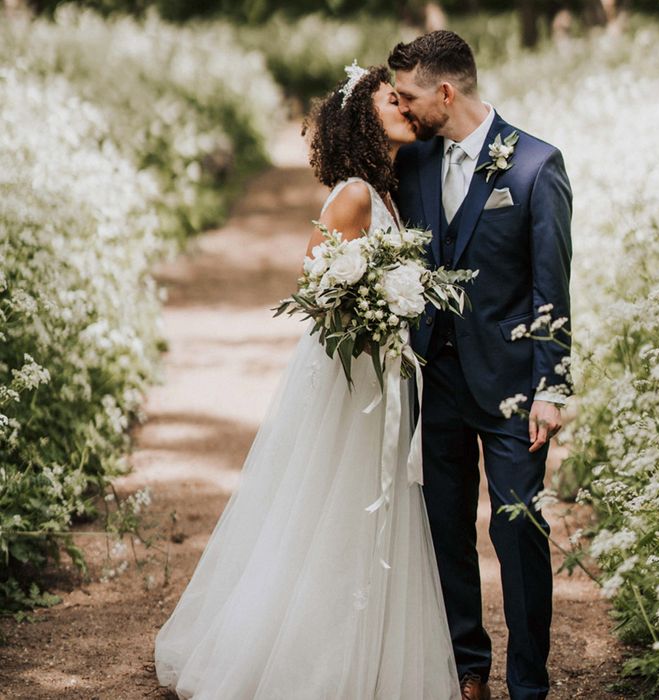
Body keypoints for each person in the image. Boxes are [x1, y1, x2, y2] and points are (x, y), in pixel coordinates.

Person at [153, 64, 461, 700]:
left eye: (406, 99)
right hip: (352, 384)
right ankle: (303, 663)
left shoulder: (391, 192)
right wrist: (375, 309)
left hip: (385, 381)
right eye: (391, 99)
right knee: (331, 511)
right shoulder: (353, 195)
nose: (405, 107)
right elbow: (317, 288)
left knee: (370, 512)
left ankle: (366, 655)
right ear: (361, 117)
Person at [389, 31, 573, 700]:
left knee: (517, 526)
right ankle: (468, 668)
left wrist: (551, 389)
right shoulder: (411, 164)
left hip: (514, 388)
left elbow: (552, 288)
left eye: (409, 97)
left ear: (447, 91)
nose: (402, 109)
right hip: (435, 380)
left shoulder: (534, 166)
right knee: (445, 528)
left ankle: (528, 683)